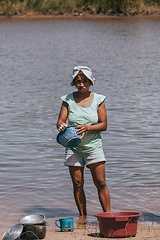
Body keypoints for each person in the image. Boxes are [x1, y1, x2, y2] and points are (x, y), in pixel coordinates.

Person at [57, 66, 110, 222]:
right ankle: (82, 217)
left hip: (93, 147)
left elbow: (104, 125)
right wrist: (61, 125)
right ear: (74, 83)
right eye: (78, 82)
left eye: (85, 81)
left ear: (91, 82)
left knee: (100, 182)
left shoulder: (99, 99)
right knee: (78, 183)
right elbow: (60, 121)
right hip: (73, 147)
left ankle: (107, 216)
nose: (81, 84)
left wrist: (87, 128)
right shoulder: (67, 99)